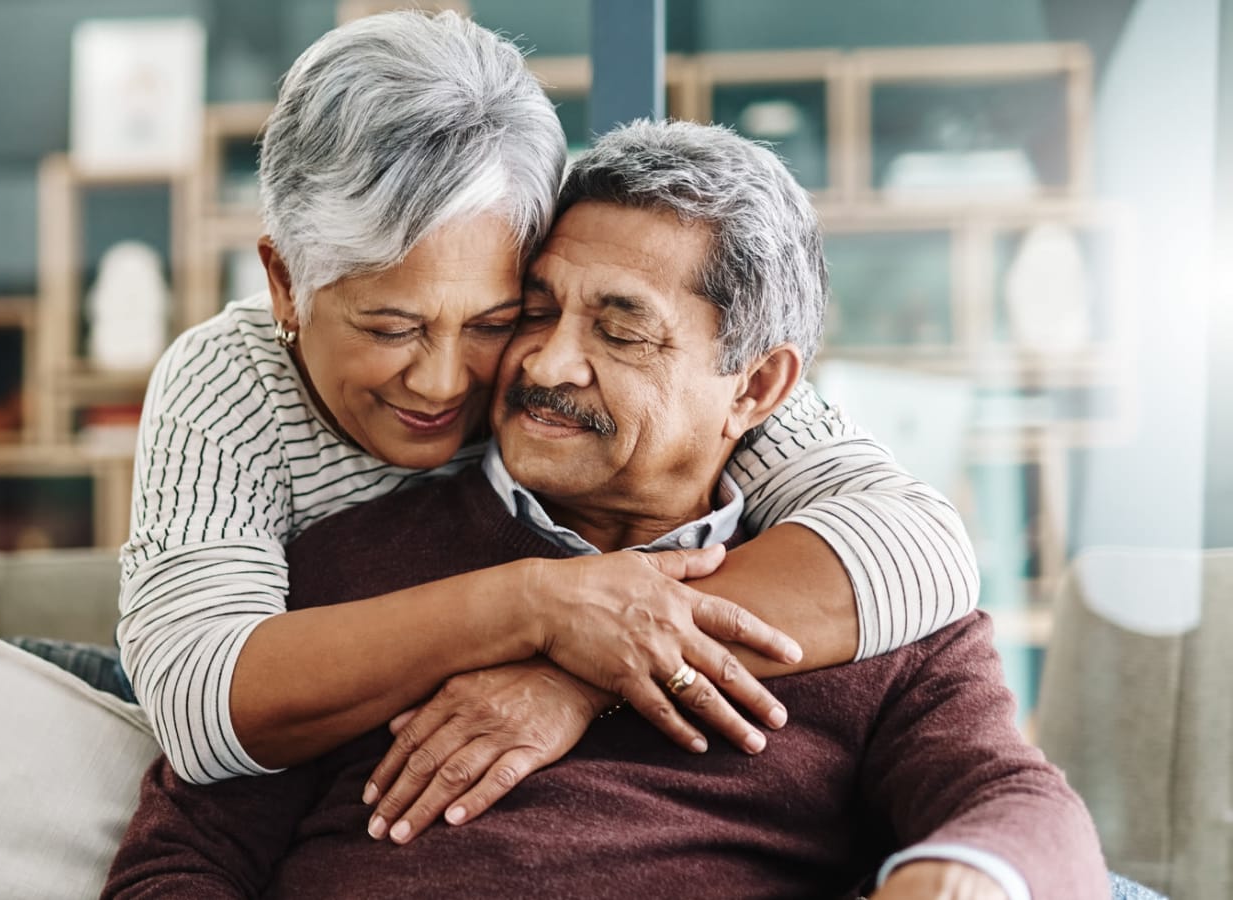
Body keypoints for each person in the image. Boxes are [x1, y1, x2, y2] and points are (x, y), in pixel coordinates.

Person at [101, 119, 1107, 900]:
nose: (544, 363)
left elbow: (1019, 806)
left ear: (755, 390)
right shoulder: (347, 574)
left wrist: (964, 875)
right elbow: (181, 860)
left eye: (620, 332)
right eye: (532, 312)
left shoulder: (866, 610)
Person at [120, 10, 979, 817]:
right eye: (390, 326)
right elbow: (197, 709)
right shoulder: (229, 384)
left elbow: (921, 545)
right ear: (283, 284)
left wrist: (583, 669)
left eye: (496, 321)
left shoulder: (565, 360)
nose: (443, 383)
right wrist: (536, 607)